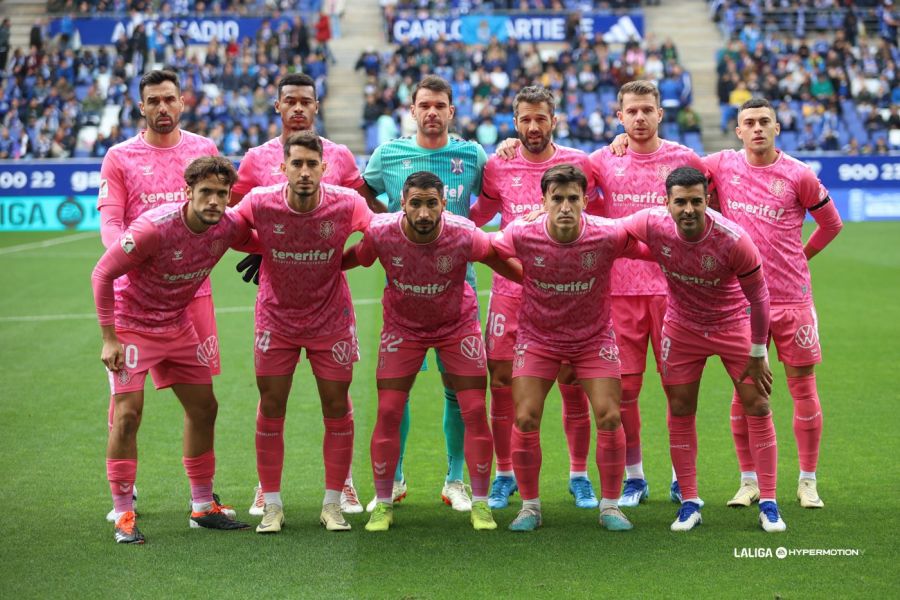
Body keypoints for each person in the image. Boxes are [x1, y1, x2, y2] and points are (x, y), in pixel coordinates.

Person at [230, 72, 380, 517]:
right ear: (278, 106)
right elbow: (234, 221)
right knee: (271, 402)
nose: (297, 108)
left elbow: (361, 217)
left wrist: (339, 258)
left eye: (305, 101)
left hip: (327, 305)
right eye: (289, 100)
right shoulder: (256, 162)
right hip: (278, 305)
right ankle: (267, 490)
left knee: (337, 403)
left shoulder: (340, 160)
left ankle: (343, 484)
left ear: (317, 106)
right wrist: (268, 247)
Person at [342, 171, 522, 532]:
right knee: (390, 409)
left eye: (431, 204)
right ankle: (384, 502)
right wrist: (311, 267)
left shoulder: (463, 233)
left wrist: (543, 280)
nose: (424, 213)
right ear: (403, 204)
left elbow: (503, 261)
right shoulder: (381, 231)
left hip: (457, 326)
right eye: (416, 204)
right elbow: (358, 258)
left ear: (443, 204)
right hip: (402, 329)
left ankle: (481, 504)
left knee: (473, 409)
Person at [91, 156, 255, 543]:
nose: (214, 201)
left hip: (177, 325)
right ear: (188, 192)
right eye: (206, 193)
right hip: (132, 325)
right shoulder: (153, 227)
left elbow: (262, 237)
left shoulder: (228, 226)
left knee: (204, 408)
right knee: (128, 416)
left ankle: (202, 506)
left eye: (221, 193)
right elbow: (102, 273)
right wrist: (109, 337)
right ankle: (124, 514)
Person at [622, 166, 787, 533]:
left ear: (707, 200)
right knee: (680, 408)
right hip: (682, 328)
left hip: (732, 326)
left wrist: (759, 352)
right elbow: (613, 233)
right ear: (666, 203)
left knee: (758, 404)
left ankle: (771, 502)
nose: (688, 209)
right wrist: (645, 252)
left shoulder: (733, 238)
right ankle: (690, 502)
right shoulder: (651, 222)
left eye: (696, 201)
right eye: (680, 202)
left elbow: (759, 298)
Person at [492, 164, 648, 532]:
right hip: (538, 337)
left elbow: (648, 249)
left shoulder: (608, 234)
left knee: (610, 415)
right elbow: (490, 251)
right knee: (526, 416)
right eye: (557, 198)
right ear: (543, 200)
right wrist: (523, 276)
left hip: (592, 338)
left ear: (585, 201)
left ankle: (610, 507)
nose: (565, 206)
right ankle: (530, 507)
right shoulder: (521, 232)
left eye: (573, 198)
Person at [358, 75, 488, 513]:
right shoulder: (389, 154)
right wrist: (389, 222)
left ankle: (454, 480)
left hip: (458, 288)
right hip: (406, 290)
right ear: (412, 111)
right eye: (424, 105)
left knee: (458, 389)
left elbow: (490, 198)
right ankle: (393, 479)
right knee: (399, 391)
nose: (432, 112)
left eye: (440, 105)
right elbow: (362, 195)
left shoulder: (471, 154)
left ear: (452, 111)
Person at [705, 98, 843, 509]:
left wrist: (802, 255)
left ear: (777, 128)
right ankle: (748, 481)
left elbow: (831, 224)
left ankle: (807, 480)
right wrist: (624, 139)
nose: (758, 128)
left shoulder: (798, 174)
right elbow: (671, 159)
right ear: (739, 130)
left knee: (803, 389)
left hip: (792, 300)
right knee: (744, 392)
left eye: (765, 121)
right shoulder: (722, 164)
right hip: (744, 301)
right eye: (749, 122)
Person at [97, 69, 222, 522]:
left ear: (183, 102)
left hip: (194, 295)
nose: (163, 108)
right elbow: (111, 221)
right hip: (137, 292)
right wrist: (129, 254)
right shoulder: (120, 156)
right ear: (142, 106)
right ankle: (123, 496)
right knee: (127, 406)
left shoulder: (203, 149)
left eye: (170, 99)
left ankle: (202, 497)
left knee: (203, 401)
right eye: (154, 101)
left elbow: (223, 210)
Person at [468, 86, 600, 510]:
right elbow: (479, 216)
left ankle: (579, 475)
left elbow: (600, 215)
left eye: (541, 118)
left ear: (554, 119)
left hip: (567, 293)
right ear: (514, 122)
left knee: (571, 382)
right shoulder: (498, 166)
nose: (533, 126)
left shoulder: (579, 164)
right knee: (503, 383)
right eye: (525, 119)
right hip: (512, 291)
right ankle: (505, 473)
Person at [594, 80, 707, 507]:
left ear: (661, 113)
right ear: (619, 116)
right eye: (632, 112)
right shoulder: (603, 161)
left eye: (647, 110)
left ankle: (682, 478)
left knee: (679, 391)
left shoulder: (685, 159)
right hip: (619, 293)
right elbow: (556, 173)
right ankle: (635, 477)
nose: (640, 118)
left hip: (675, 294)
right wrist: (512, 144)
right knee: (624, 393)